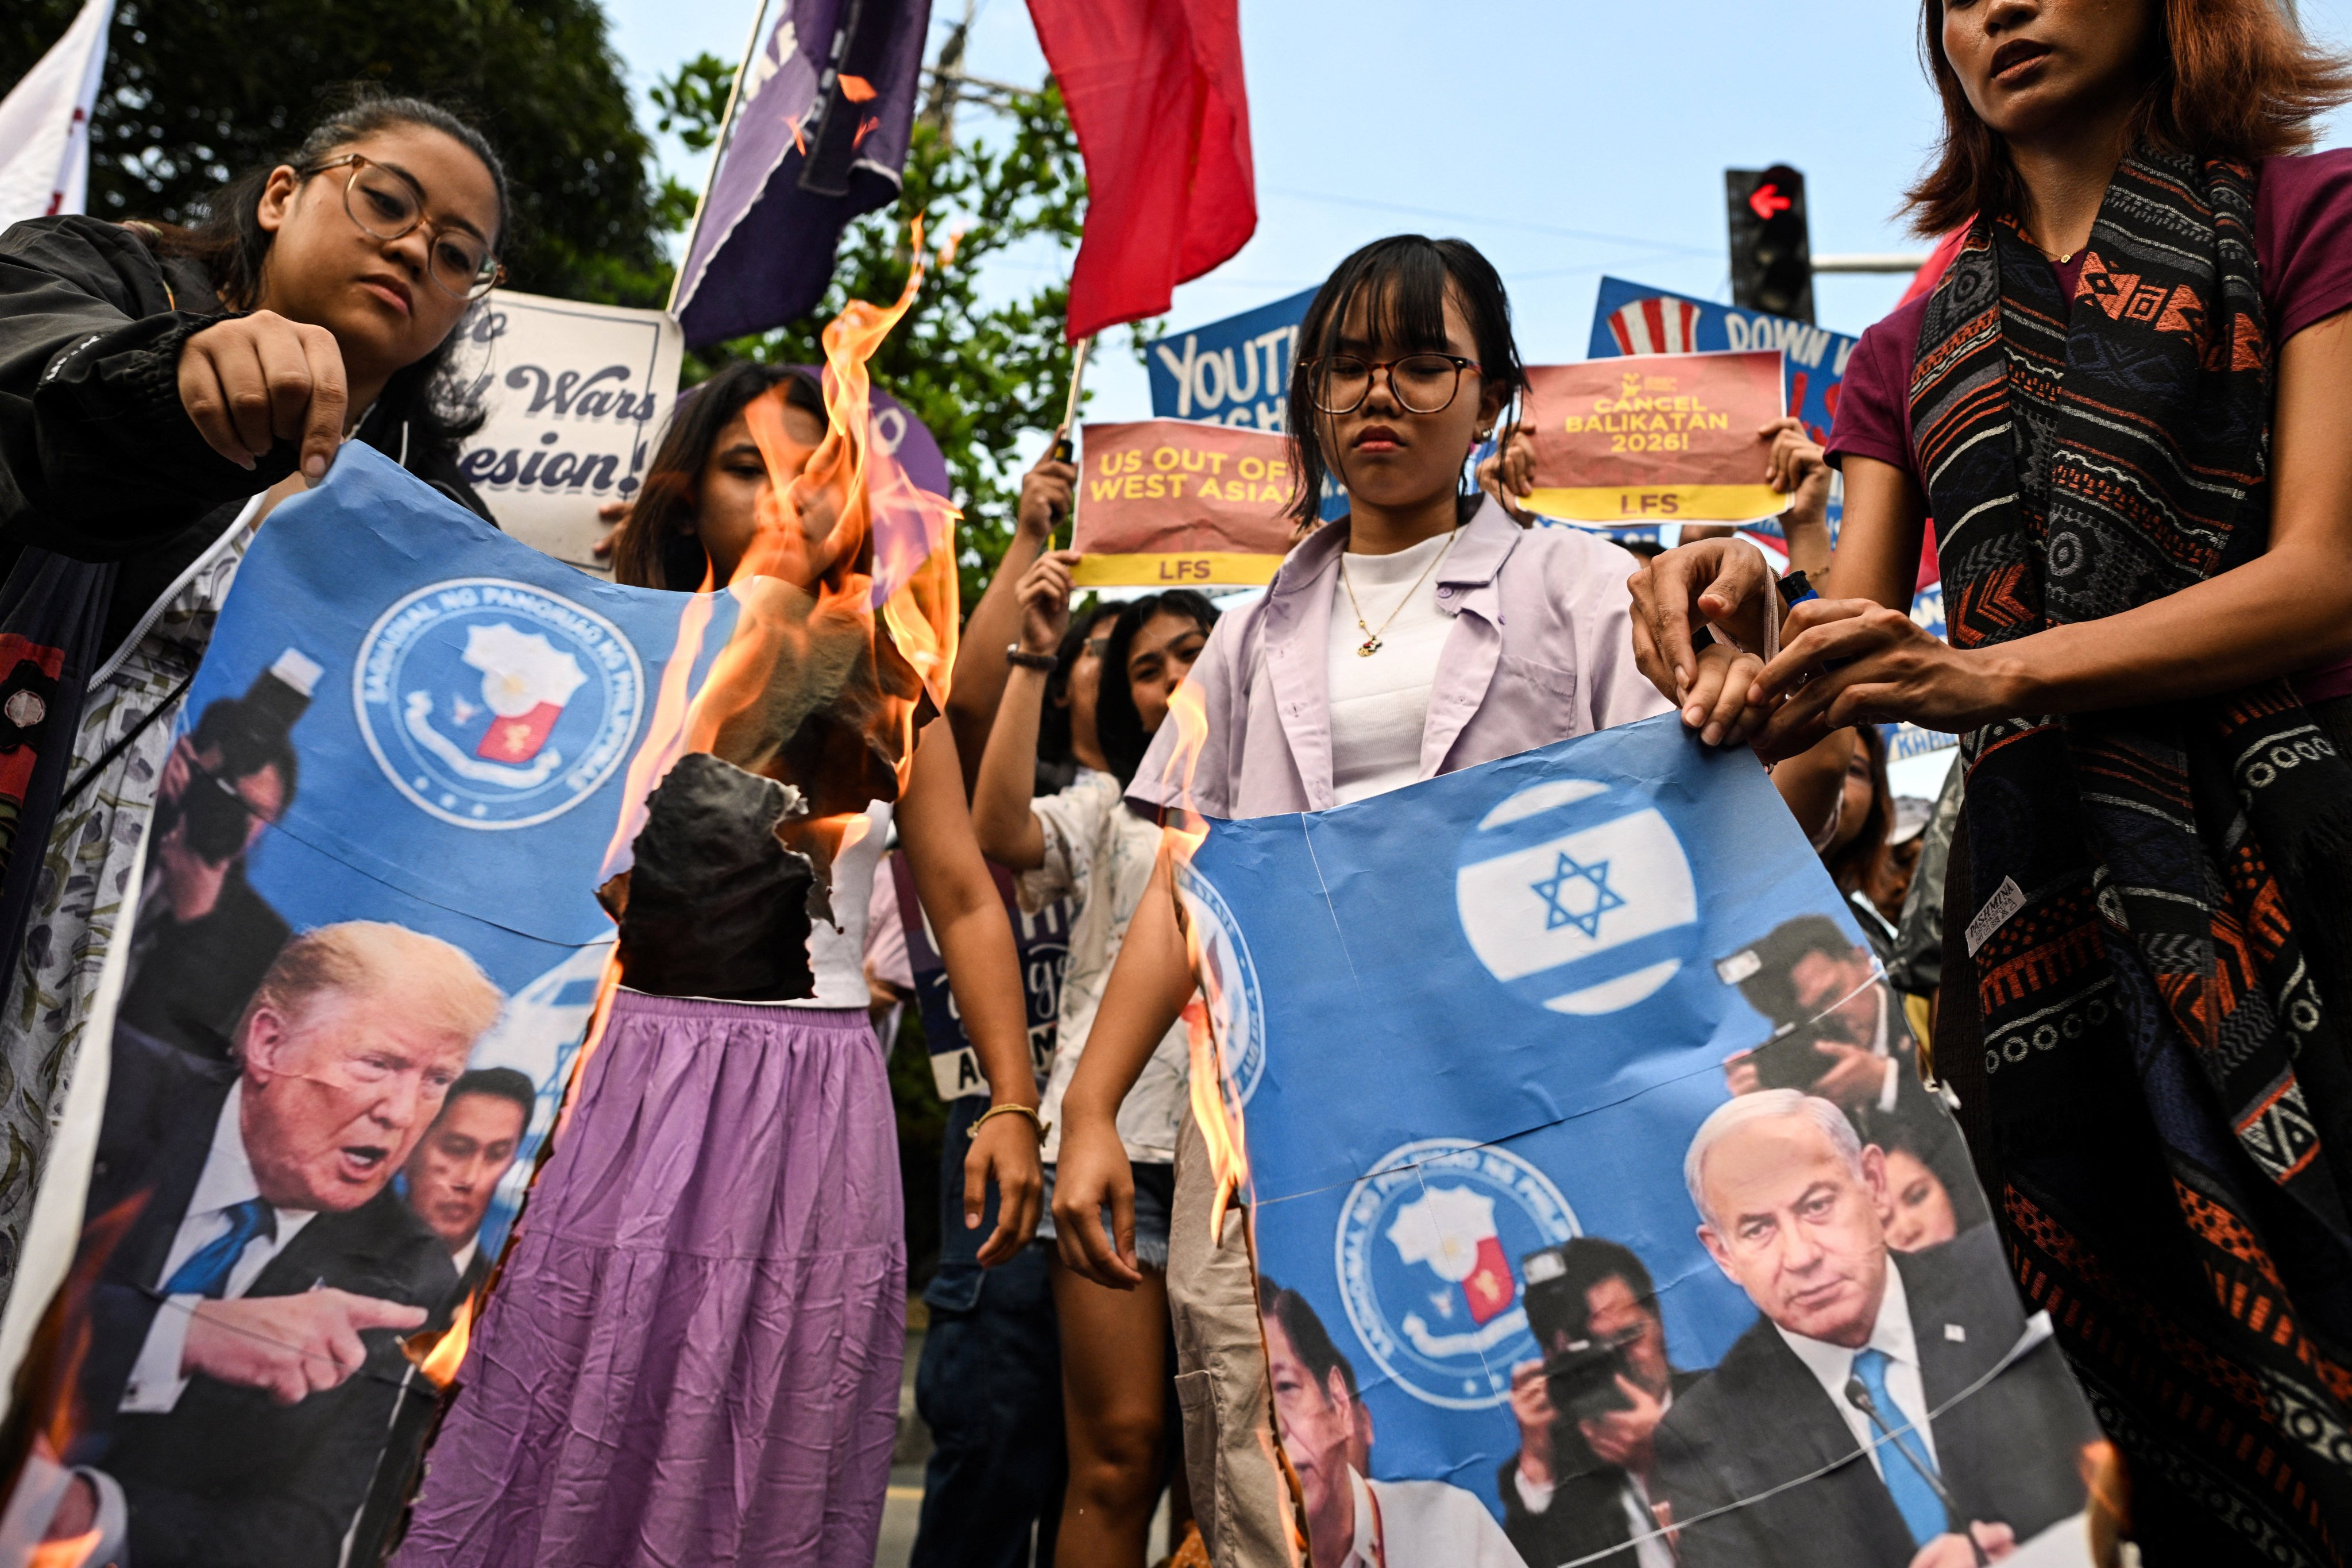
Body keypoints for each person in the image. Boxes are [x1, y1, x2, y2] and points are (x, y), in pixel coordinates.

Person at [1627, 2, 2352, 1554]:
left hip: (2306, 882)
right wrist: (1741, 631)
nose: (1992, 10)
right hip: (2037, 952)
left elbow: (2318, 575)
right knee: (2119, 1434)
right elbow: (1842, 688)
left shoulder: (2309, 212)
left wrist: (1990, 676)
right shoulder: (1908, 337)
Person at [397, 361, 1045, 1568]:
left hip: (814, 1088)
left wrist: (1012, 1100)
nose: (785, 495)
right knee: (575, 1360)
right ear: (689, 495)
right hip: (616, 1065)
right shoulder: (607, 644)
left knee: (772, 1389)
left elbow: (962, 895)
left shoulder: (892, 669)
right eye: (749, 467)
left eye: (814, 467)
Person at [0, 91, 511, 1293]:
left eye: (454, 257)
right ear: (283, 193)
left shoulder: (444, 539)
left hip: (183, 1008)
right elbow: (32, 371)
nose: (409, 251)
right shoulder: (100, 286)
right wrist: (167, 382)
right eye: (385, 200)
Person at [56, 921, 501, 1567]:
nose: (402, 1113)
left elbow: (300, 1536)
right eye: (378, 1064)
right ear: (269, 1042)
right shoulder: (108, 1091)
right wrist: (181, 1334)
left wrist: (91, 1517)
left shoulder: (407, 1273)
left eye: (437, 1080)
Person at [972, 561, 1214, 1567]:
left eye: (1192, 658)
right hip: (1118, 1169)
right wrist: (1034, 654)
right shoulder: (1111, 810)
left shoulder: (1305, 808)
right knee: (1116, 1457)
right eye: (1147, 670)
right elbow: (996, 831)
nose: (1168, 682)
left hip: (1250, 1174)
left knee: (1227, 1477)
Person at [1654, 1092, 2096, 1568]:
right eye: (1758, 1230)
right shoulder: (1703, 1437)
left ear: (1874, 1183)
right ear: (1722, 1254)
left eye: (1817, 1205)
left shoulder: (2010, 1278)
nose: (1801, 1256)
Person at [1260, 1278, 1523, 1568]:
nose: (1272, 1429)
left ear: (1339, 1401)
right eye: (1247, 1412)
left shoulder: (1453, 1527)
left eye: (1285, 1387)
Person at [1498, 1239, 1704, 1568]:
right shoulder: (1552, 1467)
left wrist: (1659, 1462)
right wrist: (1538, 1466)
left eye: (1626, 1338)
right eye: (1592, 1353)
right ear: (1554, 1360)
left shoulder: (1730, 1403)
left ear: (1659, 1322)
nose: (1617, 1363)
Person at [400, 1065, 533, 1301]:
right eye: (456, 1150)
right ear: (409, 1148)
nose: (470, 1179)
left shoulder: (500, 1300)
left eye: (496, 1155)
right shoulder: (328, 1245)